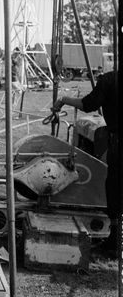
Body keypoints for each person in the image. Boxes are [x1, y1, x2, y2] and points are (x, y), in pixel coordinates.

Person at [53, 70, 119, 258]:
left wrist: (64, 99)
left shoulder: (110, 80)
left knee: (115, 190)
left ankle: (115, 243)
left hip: (117, 143)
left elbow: (88, 104)